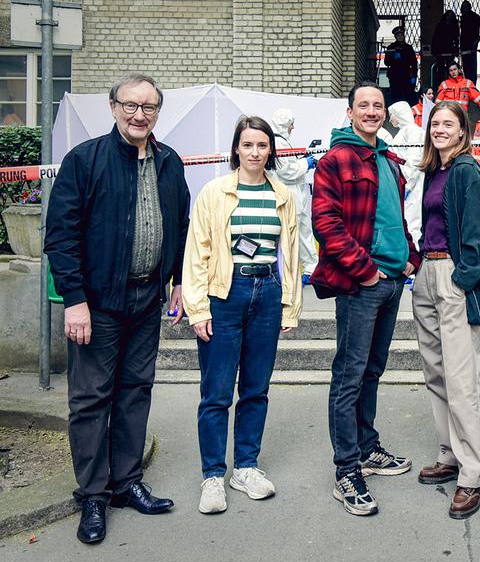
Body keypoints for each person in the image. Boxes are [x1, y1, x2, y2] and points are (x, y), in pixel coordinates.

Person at [44, 73, 188, 544]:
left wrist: (179, 281)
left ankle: (126, 482)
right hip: (98, 302)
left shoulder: (169, 163)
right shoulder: (85, 160)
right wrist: (75, 301)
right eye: (130, 105)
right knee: (90, 400)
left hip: (147, 299)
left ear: (157, 114)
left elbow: (182, 225)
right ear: (112, 107)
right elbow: (60, 236)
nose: (138, 114)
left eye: (148, 107)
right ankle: (92, 494)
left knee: (135, 390)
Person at [311, 81, 421, 516]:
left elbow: (396, 220)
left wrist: (409, 258)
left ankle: (366, 447)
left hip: (393, 282)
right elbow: (327, 224)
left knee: (373, 369)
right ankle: (346, 469)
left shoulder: (390, 162)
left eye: (378, 105)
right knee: (350, 373)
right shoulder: (335, 160)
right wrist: (367, 270)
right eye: (365, 106)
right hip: (362, 285)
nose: (373, 111)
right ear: (351, 111)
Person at [183, 115, 302, 515]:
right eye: (247, 145)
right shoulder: (214, 192)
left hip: (266, 291)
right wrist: (197, 308)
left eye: (262, 145)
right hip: (224, 293)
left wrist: (289, 303)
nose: (254, 152)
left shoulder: (282, 194)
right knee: (216, 391)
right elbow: (196, 253)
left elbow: (292, 254)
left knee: (255, 387)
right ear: (236, 148)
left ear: (271, 150)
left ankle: (246, 467)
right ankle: (213, 474)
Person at [413, 101, 480, 519]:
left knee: (462, 378)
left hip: (452, 275)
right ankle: (449, 454)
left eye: (449, 123)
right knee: (436, 372)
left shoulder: (466, 171)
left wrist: (462, 280)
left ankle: (472, 474)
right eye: (436, 123)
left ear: (464, 131)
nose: (440, 128)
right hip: (427, 273)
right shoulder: (434, 171)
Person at [271, 108, 318, 284]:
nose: (293, 127)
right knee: (296, 233)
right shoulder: (278, 143)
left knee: (303, 232)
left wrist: (303, 162)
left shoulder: (282, 141)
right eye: (291, 124)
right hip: (289, 194)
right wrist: (305, 163)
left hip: (296, 193)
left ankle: (311, 268)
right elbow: (286, 171)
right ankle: (300, 269)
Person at [387, 100, 425, 246]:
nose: (390, 119)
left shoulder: (412, 132)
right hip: (404, 183)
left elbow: (415, 160)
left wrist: (406, 184)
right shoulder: (404, 132)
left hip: (411, 185)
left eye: (392, 115)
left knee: (412, 222)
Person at [384, 25, 418, 106]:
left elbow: (414, 63)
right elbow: (386, 62)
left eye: (401, 35)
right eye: (398, 35)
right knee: (395, 98)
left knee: (408, 98)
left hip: (406, 76)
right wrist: (393, 57)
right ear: (395, 36)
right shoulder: (391, 47)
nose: (400, 37)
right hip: (395, 76)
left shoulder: (408, 48)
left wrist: (414, 77)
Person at [458, 0, 480, 84]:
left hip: (471, 44)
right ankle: (467, 83)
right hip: (464, 44)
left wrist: (478, 39)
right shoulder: (463, 17)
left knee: (472, 65)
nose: (463, 10)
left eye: (464, 7)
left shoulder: (475, 17)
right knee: (466, 66)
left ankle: (472, 84)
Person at [431, 10, 460, 91]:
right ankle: (441, 86)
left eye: (451, 16)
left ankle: (451, 85)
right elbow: (435, 38)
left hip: (450, 49)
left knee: (450, 68)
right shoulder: (440, 25)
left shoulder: (454, 26)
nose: (449, 18)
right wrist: (434, 50)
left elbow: (456, 39)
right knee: (440, 69)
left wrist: (456, 49)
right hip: (440, 49)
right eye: (448, 16)